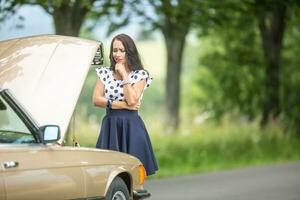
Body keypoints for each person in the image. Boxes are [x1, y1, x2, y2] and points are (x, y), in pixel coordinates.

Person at [92, 33, 158, 176]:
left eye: (122, 50)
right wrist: (123, 105)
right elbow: (96, 99)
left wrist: (124, 75)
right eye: (114, 50)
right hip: (110, 127)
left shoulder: (140, 75)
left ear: (130, 52)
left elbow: (132, 100)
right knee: (109, 172)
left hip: (132, 127)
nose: (117, 54)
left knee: (133, 173)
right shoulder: (104, 73)